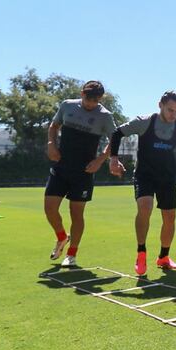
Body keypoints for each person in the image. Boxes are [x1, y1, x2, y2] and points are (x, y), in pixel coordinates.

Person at [108, 91, 176, 275]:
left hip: (167, 177)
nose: (174, 115)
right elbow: (117, 133)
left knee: (169, 217)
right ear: (160, 105)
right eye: (170, 110)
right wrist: (114, 159)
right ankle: (141, 252)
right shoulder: (145, 121)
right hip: (144, 175)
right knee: (145, 207)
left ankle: (164, 257)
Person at [44, 81, 116, 267]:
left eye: (95, 100)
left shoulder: (105, 116)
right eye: (87, 98)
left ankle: (71, 255)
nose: (90, 103)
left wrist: (100, 160)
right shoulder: (67, 105)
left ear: (100, 99)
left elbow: (114, 140)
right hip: (61, 165)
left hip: (84, 171)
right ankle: (61, 237)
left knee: (76, 214)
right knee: (49, 207)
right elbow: (53, 126)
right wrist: (51, 144)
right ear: (81, 93)